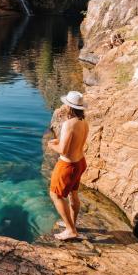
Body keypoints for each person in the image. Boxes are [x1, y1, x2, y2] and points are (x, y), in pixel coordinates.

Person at [47, 91, 89, 240]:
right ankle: (72, 224)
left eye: (66, 104)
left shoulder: (68, 124)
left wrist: (51, 145)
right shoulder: (83, 121)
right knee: (73, 193)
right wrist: (58, 142)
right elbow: (75, 143)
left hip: (68, 165)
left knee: (56, 195)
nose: (64, 106)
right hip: (80, 162)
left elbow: (63, 150)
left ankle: (71, 230)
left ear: (69, 107)